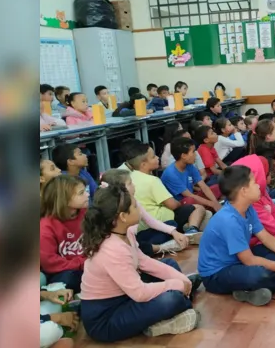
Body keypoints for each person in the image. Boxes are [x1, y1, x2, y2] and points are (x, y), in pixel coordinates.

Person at [79, 184, 201, 342]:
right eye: (135, 206)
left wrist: (180, 280)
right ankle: (165, 316)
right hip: (106, 319)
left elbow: (144, 262)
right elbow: (140, 293)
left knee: (169, 265)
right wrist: (176, 284)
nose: (139, 208)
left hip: (125, 296)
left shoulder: (125, 232)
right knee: (172, 299)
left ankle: (177, 301)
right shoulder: (112, 248)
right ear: (123, 216)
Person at [198, 165, 275, 306]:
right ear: (244, 191)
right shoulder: (229, 220)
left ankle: (254, 288)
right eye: (254, 182)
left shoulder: (247, 208)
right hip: (216, 275)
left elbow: (265, 237)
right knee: (260, 275)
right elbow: (249, 261)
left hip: (237, 260)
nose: (259, 186)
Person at [101, 170, 191, 256]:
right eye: (130, 183)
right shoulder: (112, 209)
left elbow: (150, 221)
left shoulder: (134, 201)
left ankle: (158, 246)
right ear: (119, 189)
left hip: (135, 239)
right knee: (141, 246)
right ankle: (161, 248)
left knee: (171, 224)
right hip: (126, 245)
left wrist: (173, 232)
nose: (134, 185)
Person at [128, 142, 206, 238]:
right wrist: (179, 203)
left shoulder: (129, 178)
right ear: (143, 164)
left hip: (142, 224)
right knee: (198, 208)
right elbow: (172, 205)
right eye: (153, 157)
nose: (157, 157)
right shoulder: (152, 180)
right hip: (162, 221)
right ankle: (192, 231)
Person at [40, 175, 89, 292]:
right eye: (81, 193)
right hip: (62, 272)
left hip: (88, 264)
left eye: (86, 191)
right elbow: (50, 263)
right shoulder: (46, 226)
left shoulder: (87, 214)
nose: (87, 195)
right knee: (71, 278)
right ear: (64, 199)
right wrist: (83, 263)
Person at [162, 137, 222, 211]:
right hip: (182, 204)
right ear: (183, 155)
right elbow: (189, 195)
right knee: (190, 200)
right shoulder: (170, 173)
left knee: (216, 187)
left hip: (193, 196)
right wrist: (212, 204)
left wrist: (215, 202)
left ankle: (212, 206)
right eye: (193, 152)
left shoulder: (189, 166)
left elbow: (203, 186)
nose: (196, 155)